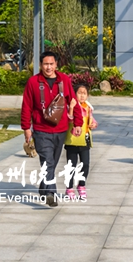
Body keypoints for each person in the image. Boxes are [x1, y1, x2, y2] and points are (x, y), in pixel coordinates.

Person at [21, 51, 83, 207]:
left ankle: (44, 188)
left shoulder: (64, 80)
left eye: (51, 64)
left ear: (56, 64)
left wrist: (77, 123)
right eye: (45, 64)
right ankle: (51, 193)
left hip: (60, 129)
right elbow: (26, 106)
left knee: (52, 163)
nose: (48, 67)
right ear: (41, 65)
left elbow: (73, 101)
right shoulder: (33, 82)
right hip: (41, 130)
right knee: (48, 161)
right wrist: (26, 128)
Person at [64, 83, 97, 200]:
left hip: (85, 140)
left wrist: (93, 124)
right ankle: (69, 188)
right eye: (79, 93)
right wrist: (72, 107)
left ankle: (81, 185)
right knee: (71, 166)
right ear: (74, 94)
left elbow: (91, 120)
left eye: (84, 93)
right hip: (72, 141)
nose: (82, 96)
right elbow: (69, 119)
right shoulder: (70, 105)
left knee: (85, 164)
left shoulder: (88, 107)